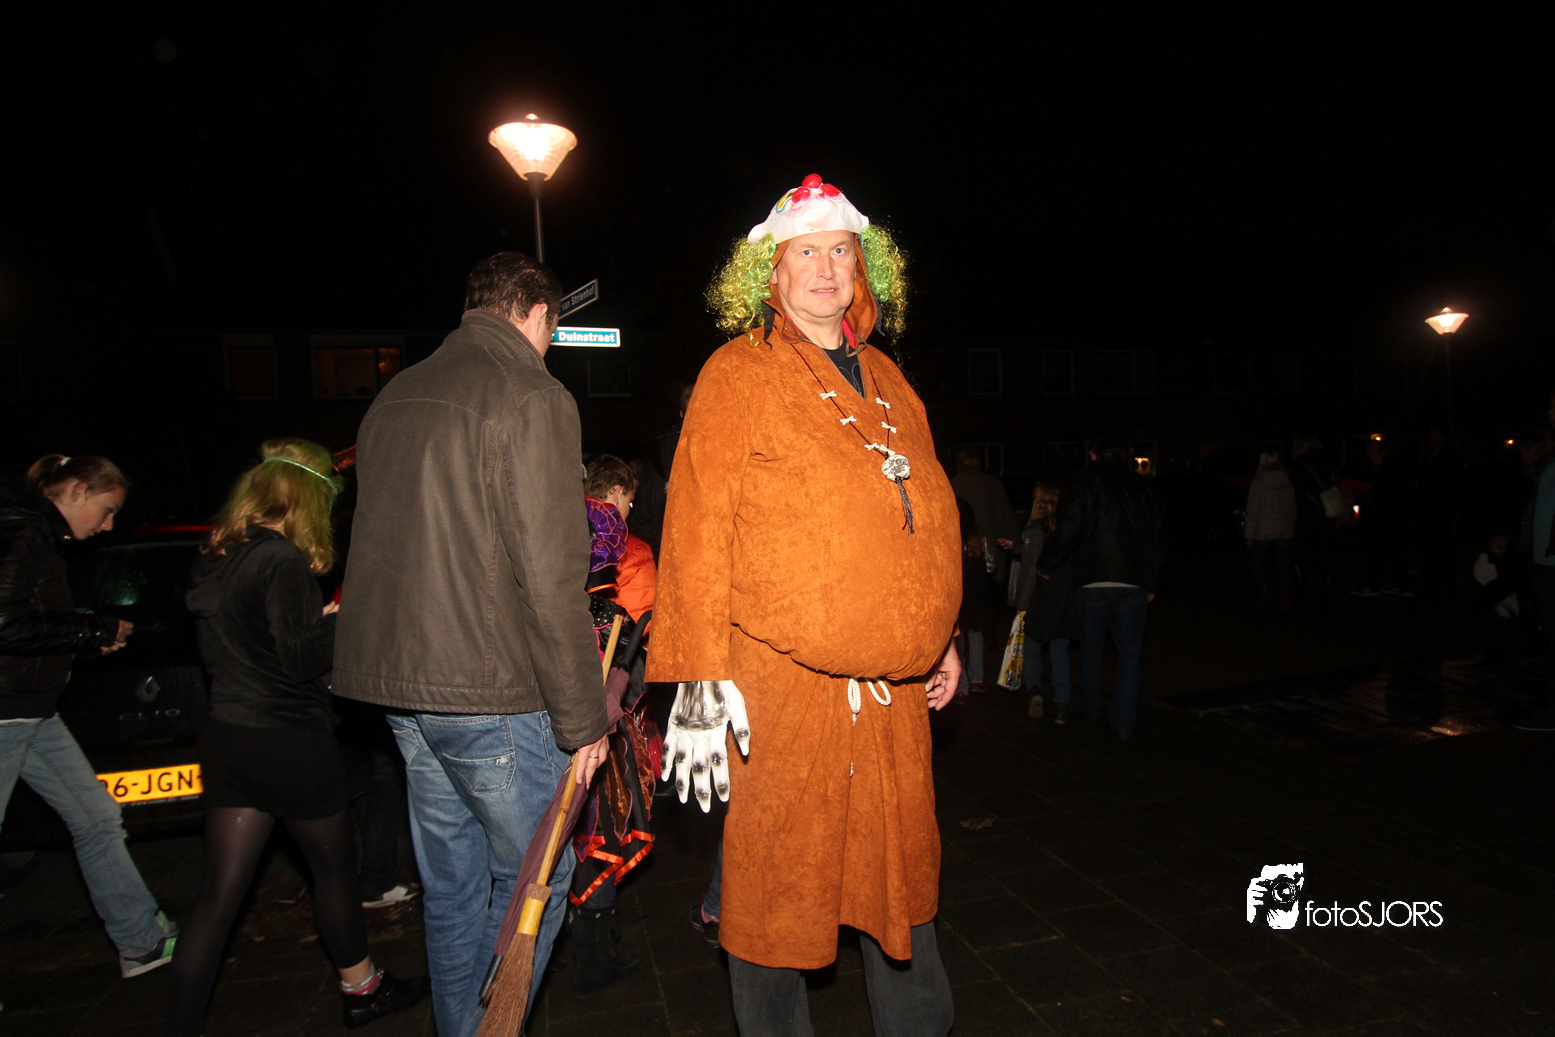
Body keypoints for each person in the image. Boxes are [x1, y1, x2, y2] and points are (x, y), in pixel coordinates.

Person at [649, 173, 961, 1035]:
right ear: (770, 274)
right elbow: (697, 525)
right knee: (776, 888)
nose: (824, 270)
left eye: (839, 252)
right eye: (804, 254)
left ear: (863, 269)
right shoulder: (737, 372)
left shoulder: (891, 380)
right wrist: (698, 675)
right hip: (780, 692)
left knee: (901, 876)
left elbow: (926, 514)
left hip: (892, 699)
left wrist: (937, 633)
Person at [332, 252, 610, 1037]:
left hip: (403, 690)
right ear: (537, 311)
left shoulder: (396, 392)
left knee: (452, 886)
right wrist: (583, 721)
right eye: (552, 329)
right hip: (489, 689)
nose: (549, 345)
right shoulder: (531, 392)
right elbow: (551, 573)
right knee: (533, 881)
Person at [168, 439, 427, 1035]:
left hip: (230, 737)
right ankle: (362, 991)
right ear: (308, 498)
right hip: (288, 739)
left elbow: (253, 642)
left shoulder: (218, 554)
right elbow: (300, 658)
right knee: (334, 870)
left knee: (217, 897)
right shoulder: (279, 560)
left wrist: (314, 626)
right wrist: (340, 622)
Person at [0, 454, 176, 979]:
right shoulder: (25, 531)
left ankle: (141, 943)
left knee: (96, 818)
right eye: (107, 509)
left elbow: (31, 616)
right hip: (7, 712)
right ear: (77, 490)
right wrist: (89, 632)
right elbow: (4, 621)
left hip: (32, 710)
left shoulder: (36, 533)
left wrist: (89, 632)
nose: (107, 525)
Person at [1036, 435, 1165, 741]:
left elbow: (1069, 528)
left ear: (1093, 455)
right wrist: (1152, 581)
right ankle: (1124, 722)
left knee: (1091, 650)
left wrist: (1047, 563)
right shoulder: (1146, 487)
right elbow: (1159, 537)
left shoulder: (1083, 482)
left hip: (1093, 579)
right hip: (1133, 580)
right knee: (1130, 654)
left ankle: (1090, 710)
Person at [1006, 482, 1078, 722]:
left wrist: (1021, 605)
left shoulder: (1035, 532)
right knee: (1060, 650)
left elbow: (1029, 572)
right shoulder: (1067, 531)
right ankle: (1061, 703)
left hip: (1038, 599)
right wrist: (1018, 547)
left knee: (1032, 648)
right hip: (1063, 599)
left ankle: (1035, 690)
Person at [1244, 449, 1297, 612]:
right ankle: (1285, 597)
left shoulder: (1260, 482)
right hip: (1284, 528)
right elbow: (1292, 506)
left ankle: (1264, 592)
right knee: (1282, 563)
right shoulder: (1286, 480)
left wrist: (1249, 534)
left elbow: (1253, 509)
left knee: (1256, 561)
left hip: (1265, 528)